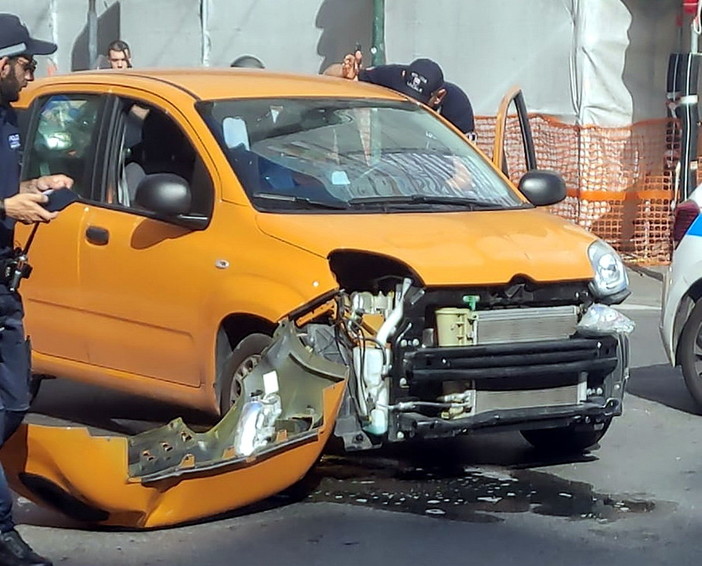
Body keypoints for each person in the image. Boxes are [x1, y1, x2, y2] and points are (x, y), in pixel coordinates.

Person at [0, 13, 74, 566]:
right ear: (2, 65)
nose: (34, 75)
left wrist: (34, 188)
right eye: (27, 64)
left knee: (15, 398)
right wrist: (4, 208)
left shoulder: (9, 117)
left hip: (4, 286)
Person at [325, 53, 476, 139]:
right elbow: (329, 77)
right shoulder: (392, 76)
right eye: (405, 96)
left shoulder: (457, 104)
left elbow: (466, 169)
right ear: (403, 76)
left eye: (418, 101)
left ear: (438, 97)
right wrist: (344, 72)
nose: (409, 103)